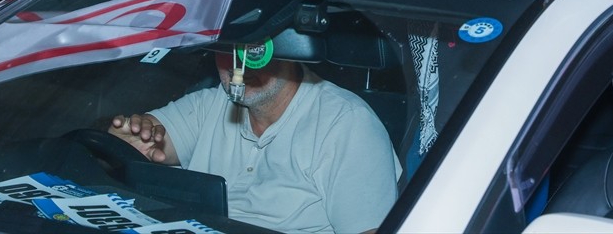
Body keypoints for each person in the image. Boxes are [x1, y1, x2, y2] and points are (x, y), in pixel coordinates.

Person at [109, 53, 399, 234]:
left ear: (290, 47)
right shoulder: (211, 104)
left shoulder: (346, 123)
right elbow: (151, 140)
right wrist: (127, 140)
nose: (239, 64)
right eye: (228, 48)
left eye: (256, 49)